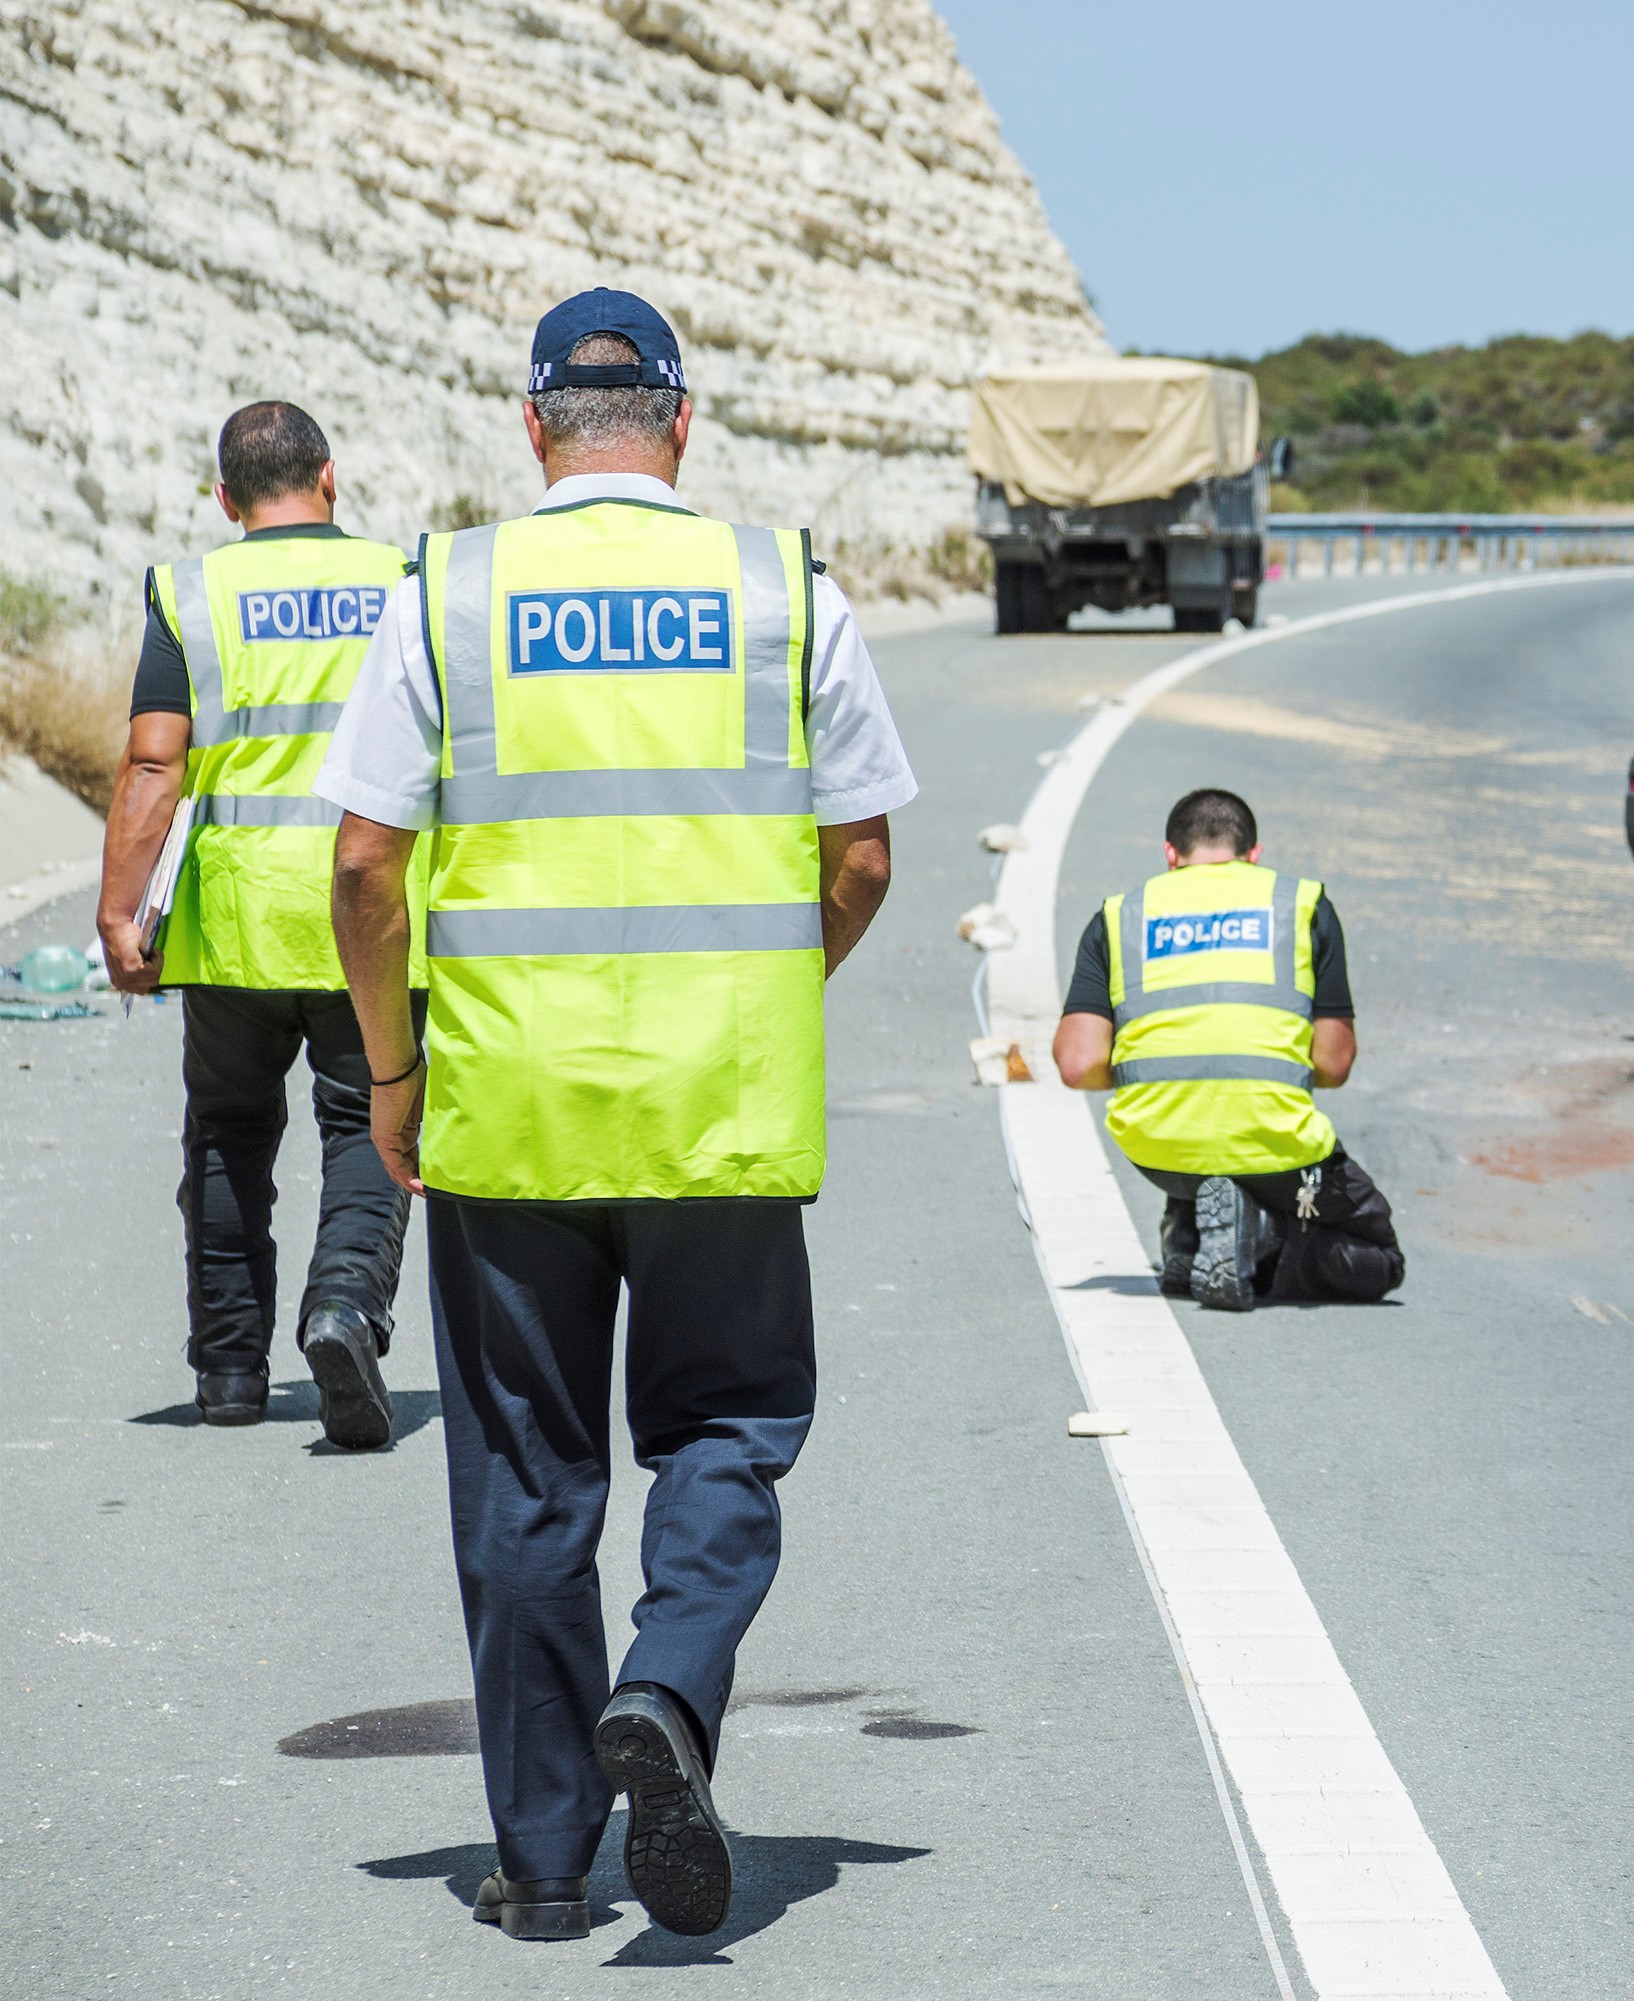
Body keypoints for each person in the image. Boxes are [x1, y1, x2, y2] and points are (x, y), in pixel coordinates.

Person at [319, 288, 915, 1945]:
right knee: (725, 1425)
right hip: (720, 1104)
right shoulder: (780, 587)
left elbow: (364, 864)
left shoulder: (448, 591)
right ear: (680, 421)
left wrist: (392, 1075)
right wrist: (765, 993)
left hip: (507, 1108)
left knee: (524, 1471)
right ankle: (665, 1684)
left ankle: (537, 1864)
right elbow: (860, 857)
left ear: (532, 426)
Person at [96, 401, 426, 1445]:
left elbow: (156, 762)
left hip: (235, 923)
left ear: (226, 499)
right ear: (330, 479)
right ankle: (343, 1311)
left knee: (229, 1142)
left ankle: (230, 1378)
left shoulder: (192, 593)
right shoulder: (402, 583)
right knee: (371, 1120)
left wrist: (118, 910)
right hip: (371, 910)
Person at [1052, 787, 1404, 1312]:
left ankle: (1193, 1232)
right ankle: (1261, 1232)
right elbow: (1333, 1063)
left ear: (1170, 855)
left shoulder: (1120, 914)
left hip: (1161, 1151)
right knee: (1379, 1257)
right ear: (1254, 855)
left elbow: (1079, 1065)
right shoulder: (1302, 904)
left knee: (1204, 1143)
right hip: (1274, 1149)